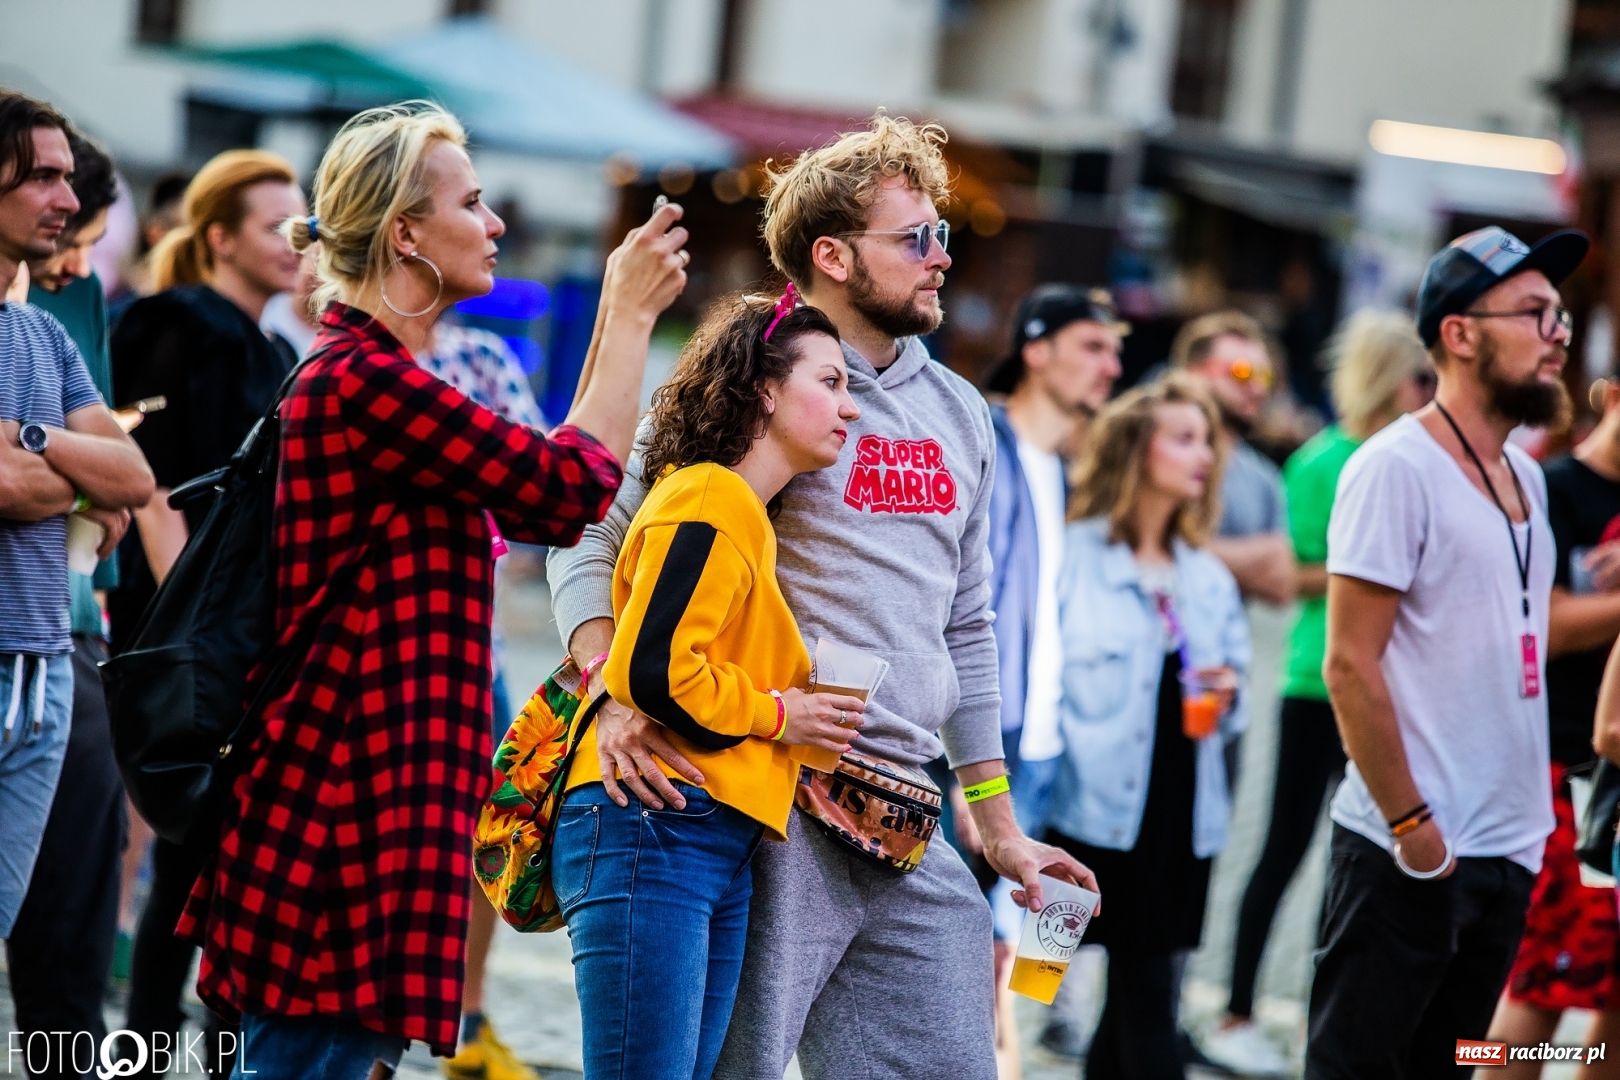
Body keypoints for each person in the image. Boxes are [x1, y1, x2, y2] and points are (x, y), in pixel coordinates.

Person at [548, 115, 1094, 1080]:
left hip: (907, 811)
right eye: (916, 238)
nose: (941, 258)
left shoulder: (962, 412)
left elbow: (968, 627)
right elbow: (593, 529)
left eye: (944, 235)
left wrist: (996, 822)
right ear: (834, 256)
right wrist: (613, 687)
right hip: (768, 801)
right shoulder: (751, 380)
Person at [176, 101, 685, 1078]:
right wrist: (626, 314)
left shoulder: (377, 373)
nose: (496, 224)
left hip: (364, 792)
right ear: (406, 232)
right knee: (309, 1056)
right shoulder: (366, 379)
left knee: (326, 1053)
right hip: (342, 802)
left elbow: (552, 471)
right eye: (475, 202)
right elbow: (567, 491)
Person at [555, 290, 866, 1080]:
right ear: (764, 388)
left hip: (700, 834)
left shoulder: (740, 510)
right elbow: (652, 668)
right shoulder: (712, 494)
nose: (849, 408)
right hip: (654, 827)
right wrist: (779, 713)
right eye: (829, 382)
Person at [1304, 225, 1587, 1077]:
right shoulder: (1395, 468)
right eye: (1535, 312)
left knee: (1450, 1069)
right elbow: (1349, 663)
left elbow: (1517, 637)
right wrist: (1412, 828)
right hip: (1411, 850)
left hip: (1506, 848)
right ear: (1460, 334)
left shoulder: (1528, 476)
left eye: (1562, 315)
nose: (1559, 334)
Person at [109, 148, 306, 1075]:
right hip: (180, 625)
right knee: (185, 854)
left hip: (241, 633)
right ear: (218, 235)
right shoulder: (174, 320)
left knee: (223, 869)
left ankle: (222, 1056)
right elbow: (140, 479)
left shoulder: (275, 350)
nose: (293, 240)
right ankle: (148, 1052)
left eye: (299, 223)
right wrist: (189, 615)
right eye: (274, 224)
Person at [1201, 310, 1434, 1073]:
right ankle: (1234, 1005)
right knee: (1282, 851)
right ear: (1387, 378)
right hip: (1315, 679)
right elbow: (1290, 575)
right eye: (1420, 377)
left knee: (1367, 862)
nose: (1429, 391)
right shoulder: (1322, 461)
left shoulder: (1419, 457)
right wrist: (1364, 574)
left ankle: (1331, 1017)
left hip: (1395, 686)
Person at [1044, 373, 1249, 1080]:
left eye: (1208, 442)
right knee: (1031, 985)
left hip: (1175, 827)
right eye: (1186, 438)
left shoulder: (1209, 578)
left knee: (1146, 992)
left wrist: (1230, 694)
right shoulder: (1069, 559)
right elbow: (1030, 691)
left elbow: (1237, 705)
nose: (1205, 456)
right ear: (1137, 449)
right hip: (1070, 824)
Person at [0, 91, 153, 960]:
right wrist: (77, 477)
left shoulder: (41, 338)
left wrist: (30, 442)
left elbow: (131, 478)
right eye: (44, 178)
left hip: (43, 672)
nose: (69, 199)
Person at [980, 283, 1125, 1067]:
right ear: (1037, 349)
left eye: (1114, 352)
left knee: (1022, 949)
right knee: (975, 952)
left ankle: (1015, 1049)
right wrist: (969, 773)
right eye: (1093, 348)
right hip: (987, 747)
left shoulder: (1067, 472)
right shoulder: (988, 448)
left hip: (1046, 744)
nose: (1110, 368)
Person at [418, 317, 551, 1080]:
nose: (493, 226)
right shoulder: (341, 358)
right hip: (387, 653)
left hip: (479, 646)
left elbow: (546, 491)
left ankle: (464, 1018)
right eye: (470, 205)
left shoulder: (480, 356)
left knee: (489, 834)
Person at [1484, 373, 1620, 1076]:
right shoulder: (1551, 487)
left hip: (1610, 789)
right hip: (1563, 769)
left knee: (1615, 996)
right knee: (1539, 980)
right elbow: (1548, 624)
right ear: (1613, 396)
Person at [1171, 311, 1296, 607]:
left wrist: (1189, 552)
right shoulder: (1157, 456)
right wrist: (1258, 554)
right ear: (1194, 373)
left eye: (1265, 375)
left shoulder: (1263, 477)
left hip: (1227, 649)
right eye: (1241, 372)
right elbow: (1147, 556)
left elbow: (1281, 585)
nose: (1257, 387)